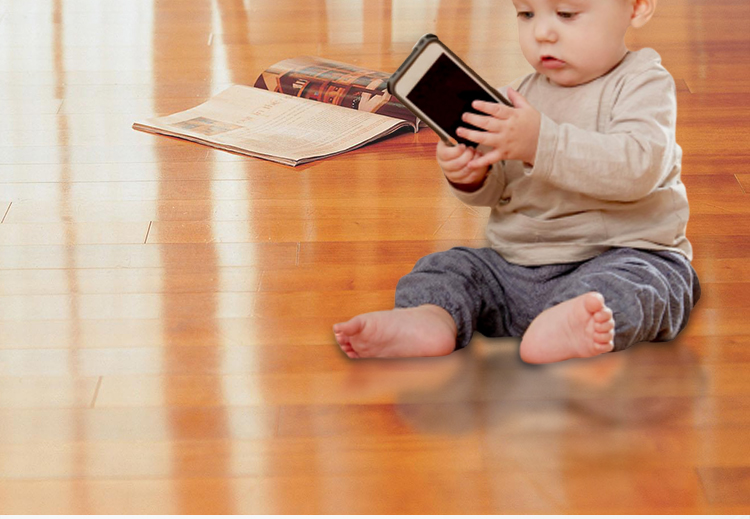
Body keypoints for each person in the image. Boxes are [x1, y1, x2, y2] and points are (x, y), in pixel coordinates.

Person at [333, 0, 701, 364]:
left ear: (636, 7)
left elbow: (638, 169)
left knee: (646, 286)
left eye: (566, 14)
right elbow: (503, 191)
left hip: (621, 256)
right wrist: (472, 176)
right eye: (526, 14)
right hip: (516, 269)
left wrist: (541, 142)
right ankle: (431, 318)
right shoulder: (515, 98)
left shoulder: (642, 82)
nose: (542, 33)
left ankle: (574, 321)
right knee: (450, 267)